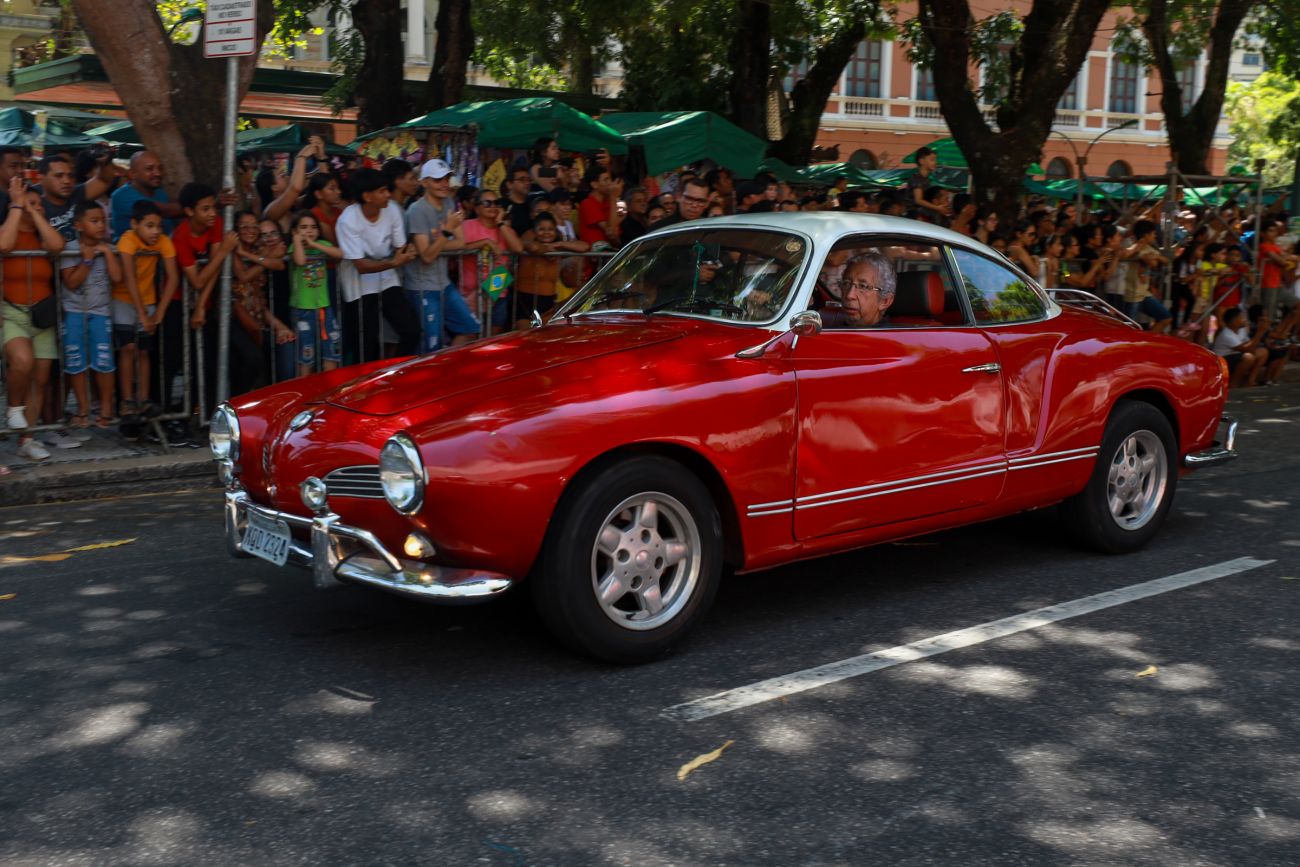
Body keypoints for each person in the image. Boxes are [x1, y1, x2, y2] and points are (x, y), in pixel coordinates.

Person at [1, 179, 66, 461]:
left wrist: (36, 214)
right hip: (12, 311)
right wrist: (18, 206)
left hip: (41, 314)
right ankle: (14, 408)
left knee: (40, 378)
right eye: (33, 203)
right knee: (22, 361)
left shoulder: (42, 235)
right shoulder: (8, 230)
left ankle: (27, 439)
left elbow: (58, 245)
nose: (38, 207)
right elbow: (4, 245)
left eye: (40, 204)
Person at [172, 182, 240, 424]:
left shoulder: (216, 224)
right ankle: (184, 417)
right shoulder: (180, 236)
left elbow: (213, 271)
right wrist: (223, 252)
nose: (212, 213)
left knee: (211, 363)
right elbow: (198, 279)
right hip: (178, 304)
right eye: (205, 209)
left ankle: (209, 415)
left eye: (213, 207)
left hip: (206, 304)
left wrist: (201, 305)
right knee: (187, 364)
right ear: (190, 211)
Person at [335, 168, 419, 362]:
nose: (388, 194)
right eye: (382, 191)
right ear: (367, 196)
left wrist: (408, 251)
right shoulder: (348, 220)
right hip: (358, 285)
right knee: (366, 342)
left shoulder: (392, 210)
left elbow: (400, 247)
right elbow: (361, 266)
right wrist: (394, 262)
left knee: (411, 330)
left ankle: (397, 371)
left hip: (387, 278)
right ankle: (367, 378)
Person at [404, 158, 480, 352]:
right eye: (438, 180)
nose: (444, 184)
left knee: (470, 327)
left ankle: (447, 366)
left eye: (446, 178)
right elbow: (427, 257)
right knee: (431, 345)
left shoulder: (448, 202)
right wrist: (446, 232)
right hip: (422, 287)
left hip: (443, 284)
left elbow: (460, 242)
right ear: (425, 182)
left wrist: (435, 245)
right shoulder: (416, 210)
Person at [59, 201, 122, 430]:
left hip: (101, 313)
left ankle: (105, 409)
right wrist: (87, 261)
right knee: (75, 361)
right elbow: (71, 282)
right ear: (78, 225)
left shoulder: (108, 248)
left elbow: (117, 278)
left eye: (103, 221)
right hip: (74, 312)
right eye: (94, 221)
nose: (100, 226)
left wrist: (107, 253)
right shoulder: (69, 248)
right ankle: (83, 409)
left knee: (104, 361)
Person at [113, 200, 178, 420]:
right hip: (123, 299)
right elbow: (129, 277)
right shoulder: (127, 240)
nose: (155, 231)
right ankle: (127, 400)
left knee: (143, 349)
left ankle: (144, 399)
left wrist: (159, 313)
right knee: (128, 348)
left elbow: (173, 277)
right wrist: (143, 313)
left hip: (148, 300)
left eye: (158, 226)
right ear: (135, 224)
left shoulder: (163, 241)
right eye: (149, 226)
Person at [459, 189, 523, 335]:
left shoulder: (505, 229)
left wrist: (500, 223)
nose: (493, 206)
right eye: (487, 203)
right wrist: (484, 242)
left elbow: (518, 248)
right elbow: (458, 248)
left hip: (498, 288)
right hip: (470, 291)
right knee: (470, 335)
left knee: (492, 338)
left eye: (496, 203)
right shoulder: (467, 226)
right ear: (477, 208)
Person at [288, 210, 343, 377]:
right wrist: (297, 240)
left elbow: (340, 254)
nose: (309, 231)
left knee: (331, 348)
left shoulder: (322, 245)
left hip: (323, 307)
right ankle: (304, 385)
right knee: (307, 352)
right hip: (303, 309)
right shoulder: (294, 248)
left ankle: (331, 383)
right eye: (303, 227)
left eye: (313, 227)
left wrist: (315, 244)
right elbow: (300, 261)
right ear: (295, 231)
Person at [515, 212, 590, 330]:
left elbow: (585, 247)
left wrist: (559, 244)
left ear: (556, 231)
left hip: (547, 305)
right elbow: (534, 248)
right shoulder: (528, 244)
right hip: (524, 304)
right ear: (534, 231)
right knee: (526, 335)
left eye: (550, 229)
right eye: (541, 229)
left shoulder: (557, 249)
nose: (546, 232)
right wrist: (547, 248)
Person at [34, 152, 116, 242]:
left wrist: (104, 161)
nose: (67, 181)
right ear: (40, 178)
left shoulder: (77, 193)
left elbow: (104, 181)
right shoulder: (35, 206)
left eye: (70, 176)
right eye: (58, 176)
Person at [108, 151, 181, 241]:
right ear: (133, 174)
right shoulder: (121, 196)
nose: (158, 173)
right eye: (149, 169)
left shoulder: (160, 192)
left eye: (160, 168)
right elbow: (167, 210)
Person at [824, 251, 897, 328]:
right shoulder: (831, 328)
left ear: (885, 301)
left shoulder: (887, 335)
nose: (849, 295)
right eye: (846, 283)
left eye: (863, 286)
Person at [1212, 306, 1268, 387]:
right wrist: (1260, 332)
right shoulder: (1226, 334)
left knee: (1263, 352)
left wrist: (1260, 332)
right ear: (1234, 321)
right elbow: (1248, 349)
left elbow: (1249, 344)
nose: (1244, 320)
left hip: (1236, 355)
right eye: (1241, 317)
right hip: (1222, 360)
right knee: (1248, 358)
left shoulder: (1241, 330)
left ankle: (1250, 381)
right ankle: (1233, 384)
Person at [577, 165, 622, 247]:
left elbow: (622, 217)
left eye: (610, 179)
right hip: (596, 253)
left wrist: (616, 198)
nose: (610, 183)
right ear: (594, 185)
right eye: (606, 180)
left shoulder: (609, 203)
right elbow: (611, 232)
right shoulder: (587, 203)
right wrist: (613, 197)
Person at [905, 147, 949, 223]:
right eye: (932, 159)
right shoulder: (917, 178)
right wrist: (937, 208)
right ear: (921, 161)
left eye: (935, 159)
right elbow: (918, 200)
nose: (935, 162)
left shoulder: (927, 179)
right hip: (914, 215)